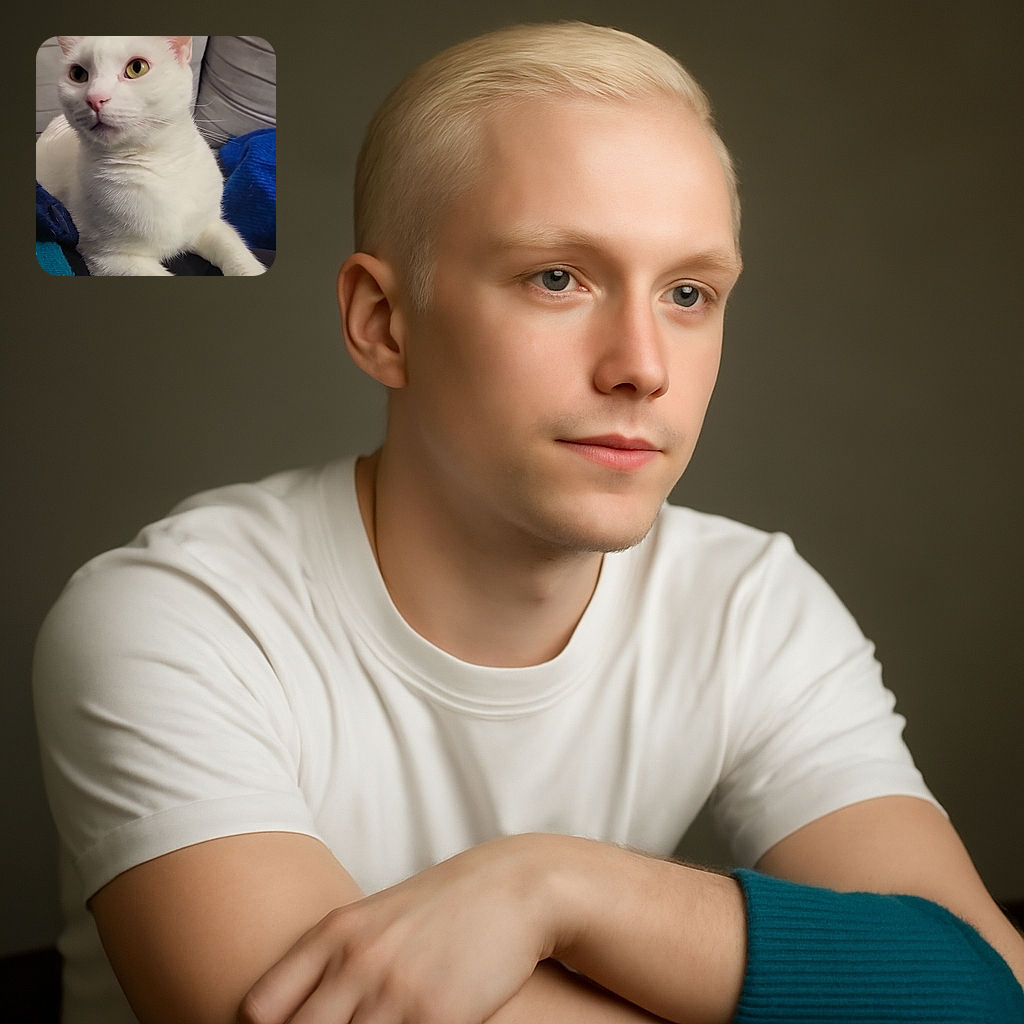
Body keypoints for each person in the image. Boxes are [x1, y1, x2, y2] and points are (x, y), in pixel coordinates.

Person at [33, 22, 1024, 1024]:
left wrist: (557, 888)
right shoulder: (172, 621)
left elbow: (983, 991)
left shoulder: (750, 606)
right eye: (557, 277)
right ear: (383, 321)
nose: (642, 364)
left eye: (688, 292)